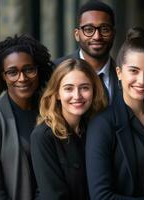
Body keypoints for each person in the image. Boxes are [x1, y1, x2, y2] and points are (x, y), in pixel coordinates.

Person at [86, 27, 144, 200]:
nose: (141, 80)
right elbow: (101, 196)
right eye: (134, 70)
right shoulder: (102, 125)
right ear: (119, 72)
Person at [0, 35, 53, 200]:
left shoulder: (52, 111)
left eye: (29, 69)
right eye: (12, 72)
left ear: (38, 70)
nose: (22, 78)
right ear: (2, 75)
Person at [30, 58, 106, 200]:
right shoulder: (43, 136)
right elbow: (53, 196)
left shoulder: (97, 128)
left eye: (84, 87)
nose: (77, 96)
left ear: (94, 91)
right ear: (57, 93)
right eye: (68, 88)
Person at [54, 0, 118, 103]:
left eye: (104, 29)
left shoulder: (125, 75)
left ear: (113, 33)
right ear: (76, 34)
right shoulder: (54, 70)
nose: (97, 36)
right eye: (88, 29)